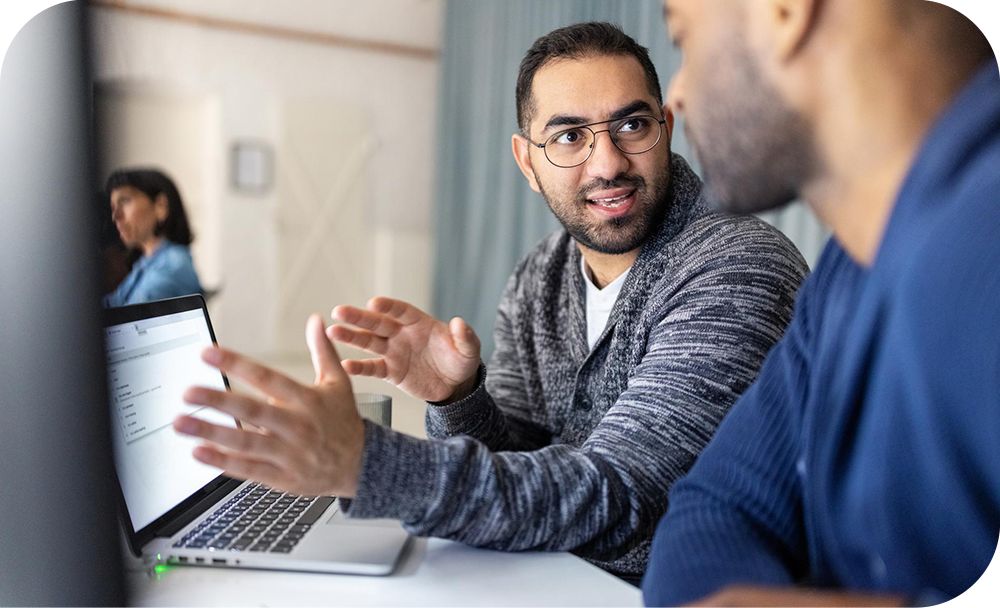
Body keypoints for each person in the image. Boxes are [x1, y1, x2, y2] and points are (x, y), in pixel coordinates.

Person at [172, 23, 807, 581]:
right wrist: (459, 398)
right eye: (569, 137)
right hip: (558, 579)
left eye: (631, 125)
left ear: (666, 129)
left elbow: (621, 495)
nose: (607, 162)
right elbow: (518, 466)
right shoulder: (539, 277)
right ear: (526, 161)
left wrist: (366, 465)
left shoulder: (737, 267)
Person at [642, 0, 999, 605]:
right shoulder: (845, 275)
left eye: (682, 37)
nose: (675, 93)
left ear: (784, 12)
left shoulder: (980, 250)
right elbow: (713, 507)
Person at [103, 168, 203, 307]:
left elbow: (128, 317)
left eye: (124, 201)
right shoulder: (147, 262)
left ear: (160, 206)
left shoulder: (171, 266)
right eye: (113, 206)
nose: (116, 216)